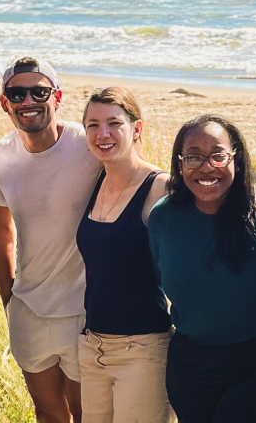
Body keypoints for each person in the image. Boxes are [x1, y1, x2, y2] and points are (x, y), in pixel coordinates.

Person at [148, 114, 256, 423]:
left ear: (235, 157)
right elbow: (160, 278)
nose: (206, 166)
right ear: (180, 163)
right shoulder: (164, 217)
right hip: (190, 367)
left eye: (217, 155)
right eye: (193, 157)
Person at [0, 56, 101, 423]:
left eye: (39, 91)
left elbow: (143, 183)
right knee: (49, 413)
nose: (28, 102)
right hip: (29, 313)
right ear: (5, 102)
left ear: (58, 97)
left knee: (88, 413)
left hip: (85, 313)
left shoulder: (90, 147)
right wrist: (10, 301)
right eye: (17, 94)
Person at [76, 87, 175, 423]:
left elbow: (214, 206)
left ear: (137, 129)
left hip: (143, 350)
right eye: (92, 125)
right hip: (92, 347)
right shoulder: (94, 180)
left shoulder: (161, 188)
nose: (102, 134)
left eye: (113, 123)